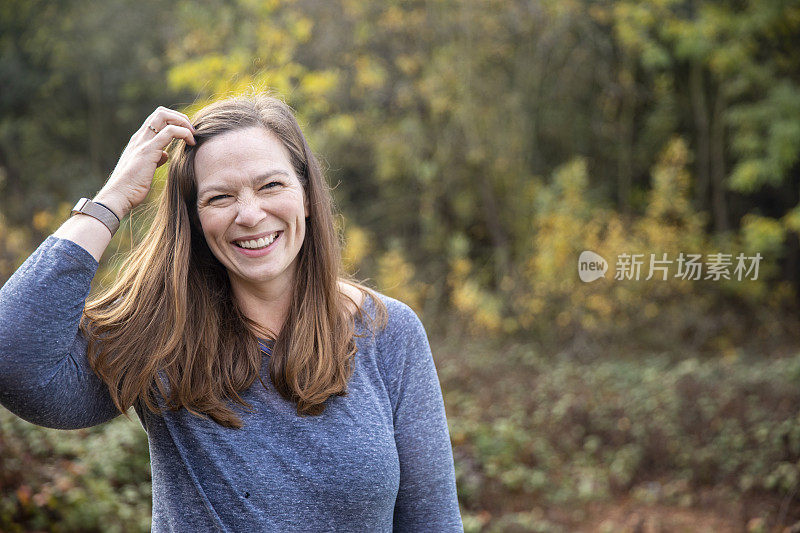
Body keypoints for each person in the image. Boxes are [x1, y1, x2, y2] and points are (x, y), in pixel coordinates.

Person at [0, 94, 463, 532]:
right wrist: (112, 199)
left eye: (271, 185)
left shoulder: (389, 332)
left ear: (305, 193)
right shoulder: (161, 333)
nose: (250, 214)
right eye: (219, 197)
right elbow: (13, 361)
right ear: (197, 220)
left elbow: (433, 519)